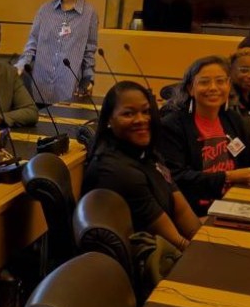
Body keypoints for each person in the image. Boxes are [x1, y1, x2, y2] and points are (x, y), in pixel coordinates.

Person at [157, 56, 250, 216]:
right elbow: (177, 178)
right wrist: (228, 177)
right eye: (204, 82)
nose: (213, 88)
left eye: (221, 81)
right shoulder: (173, 126)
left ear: (228, 86)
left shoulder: (231, 118)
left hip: (237, 200)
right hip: (197, 211)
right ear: (190, 89)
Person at [84, 81, 200, 250]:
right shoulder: (117, 171)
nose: (141, 120)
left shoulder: (147, 152)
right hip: (147, 262)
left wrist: (204, 240)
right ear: (110, 119)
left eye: (146, 111)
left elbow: (181, 211)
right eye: (128, 114)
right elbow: (176, 242)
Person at [18, 0, 100, 104]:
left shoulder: (89, 13)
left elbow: (89, 50)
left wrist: (89, 78)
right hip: (40, 83)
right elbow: (32, 43)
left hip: (69, 86)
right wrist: (21, 65)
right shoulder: (45, 10)